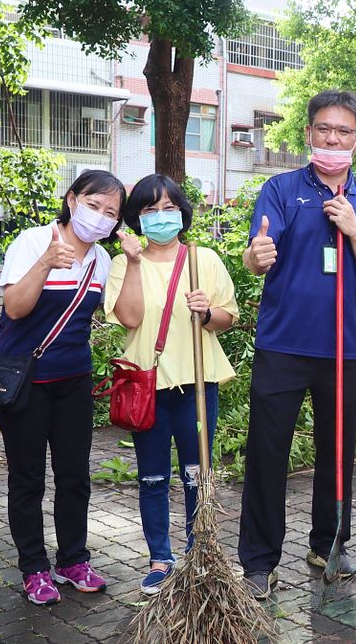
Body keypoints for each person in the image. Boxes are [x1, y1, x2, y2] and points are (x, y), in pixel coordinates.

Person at [237, 89, 356, 599]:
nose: (333, 138)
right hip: (282, 345)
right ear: (308, 133)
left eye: (343, 131)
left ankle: (329, 544)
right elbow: (257, 254)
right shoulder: (280, 189)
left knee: (338, 455)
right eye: (324, 128)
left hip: (345, 350)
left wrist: (355, 231)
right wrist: (255, 256)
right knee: (267, 453)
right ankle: (260, 561)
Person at [0, 169, 124, 605]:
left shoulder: (101, 260)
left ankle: (72, 560)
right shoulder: (33, 241)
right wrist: (46, 263)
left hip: (73, 382)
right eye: (93, 204)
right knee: (27, 479)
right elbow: (14, 308)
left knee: (74, 477)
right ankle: (34, 568)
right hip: (24, 383)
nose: (100, 216)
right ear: (71, 200)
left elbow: (117, 316)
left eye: (110, 212)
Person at [103, 174, 239, 595]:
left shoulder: (204, 260)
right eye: (150, 210)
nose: (161, 217)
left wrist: (207, 313)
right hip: (147, 387)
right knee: (152, 477)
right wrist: (134, 263)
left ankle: (201, 554)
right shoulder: (124, 263)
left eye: (168, 208)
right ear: (136, 218)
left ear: (182, 212)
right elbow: (129, 318)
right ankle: (160, 559)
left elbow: (227, 319)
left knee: (197, 474)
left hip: (198, 382)